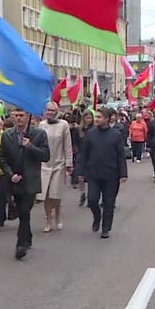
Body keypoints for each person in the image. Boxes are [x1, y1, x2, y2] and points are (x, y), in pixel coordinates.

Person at [0, 106, 51, 260]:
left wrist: (30, 146)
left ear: (28, 116)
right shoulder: (7, 135)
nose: (19, 118)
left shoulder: (39, 134)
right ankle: (27, 236)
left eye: (22, 115)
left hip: (30, 180)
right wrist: (10, 174)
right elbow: (3, 158)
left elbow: (45, 156)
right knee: (21, 212)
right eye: (16, 115)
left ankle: (20, 245)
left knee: (24, 211)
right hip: (15, 180)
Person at [77, 107, 128, 239]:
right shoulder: (91, 134)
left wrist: (123, 174)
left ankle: (106, 228)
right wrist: (81, 171)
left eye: (99, 117)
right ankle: (97, 217)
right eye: (96, 117)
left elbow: (120, 156)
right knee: (92, 200)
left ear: (107, 118)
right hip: (93, 173)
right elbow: (84, 154)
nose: (97, 119)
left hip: (111, 174)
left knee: (108, 202)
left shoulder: (116, 135)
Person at [37, 102, 73, 233]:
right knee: (46, 194)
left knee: (55, 193)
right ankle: (48, 220)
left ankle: (57, 214)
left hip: (59, 163)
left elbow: (67, 145)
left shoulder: (63, 125)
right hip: (45, 164)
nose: (50, 112)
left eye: (53, 110)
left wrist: (69, 163)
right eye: (48, 110)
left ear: (57, 111)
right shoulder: (41, 125)